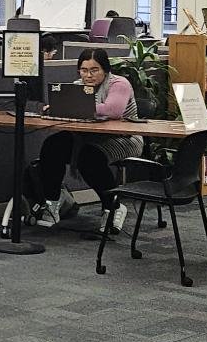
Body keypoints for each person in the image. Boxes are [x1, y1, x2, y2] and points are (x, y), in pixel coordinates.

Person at [28, 48, 143, 233]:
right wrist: (57, 108)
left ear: (105, 70)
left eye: (94, 70)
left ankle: (113, 207)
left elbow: (114, 110)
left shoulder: (119, 84)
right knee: (52, 146)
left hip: (124, 138)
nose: (88, 75)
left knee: (90, 157)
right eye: (84, 70)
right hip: (88, 137)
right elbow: (73, 112)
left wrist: (76, 105)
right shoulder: (77, 86)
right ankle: (53, 201)